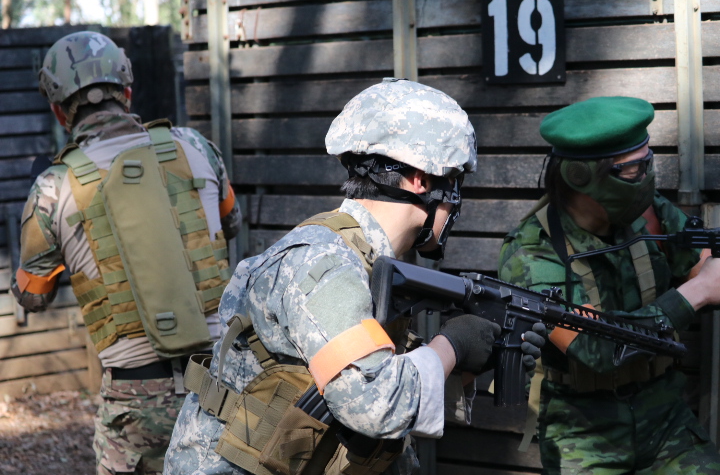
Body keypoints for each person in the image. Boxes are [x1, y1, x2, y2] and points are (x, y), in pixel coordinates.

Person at [164, 78, 546, 475]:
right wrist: (453, 344)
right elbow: (376, 405)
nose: (456, 202)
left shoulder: (363, 260)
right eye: (455, 182)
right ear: (422, 179)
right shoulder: (326, 264)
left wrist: (473, 362)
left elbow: (360, 391)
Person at [11, 31, 242, 475]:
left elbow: (33, 296)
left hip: (137, 408)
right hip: (223, 386)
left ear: (59, 112)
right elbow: (230, 222)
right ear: (127, 92)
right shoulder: (196, 147)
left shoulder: (52, 188)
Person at [498, 96, 720, 474]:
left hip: (664, 417)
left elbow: (703, 266)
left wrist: (707, 278)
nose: (647, 179)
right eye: (633, 170)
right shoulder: (532, 254)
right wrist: (696, 293)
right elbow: (597, 347)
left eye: (648, 163)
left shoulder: (648, 213)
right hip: (583, 432)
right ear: (581, 176)